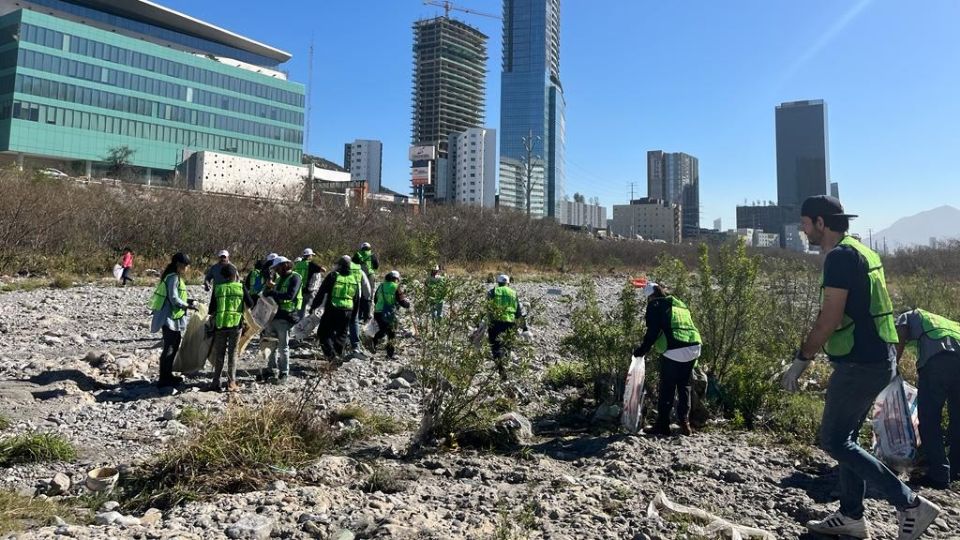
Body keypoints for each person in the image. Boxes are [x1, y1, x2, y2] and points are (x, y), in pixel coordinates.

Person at [781, 195, 939, 540]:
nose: (803, 229)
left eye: (806, 223)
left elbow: (830, 317)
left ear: (821, 223)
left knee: (834, 441)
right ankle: (851, 515)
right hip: (876, 357)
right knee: (847, 438)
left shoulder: (839, 257)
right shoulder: (861, 251)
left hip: (860, 362)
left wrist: (800, 361)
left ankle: (910, 504)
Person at [895, 308, 960, 489]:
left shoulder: (910, 315)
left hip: (937, 362)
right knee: (958, 421)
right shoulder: (950, 323)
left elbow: (899, 337)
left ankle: (939, 474)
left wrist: (892, 368)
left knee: (929, 420)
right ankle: (955, 471)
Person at [633, 281, 702, 437]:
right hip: (694, 347)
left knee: (667, 387)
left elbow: (653, 331)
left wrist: (642, 351)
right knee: (684, 385)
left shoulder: (656, 305)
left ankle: (662, 426)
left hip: (675, 349)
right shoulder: (678, 305)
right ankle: (685, 422)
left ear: (650, 297)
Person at [149, 252, 198, 388]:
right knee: (170, 347)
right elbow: (174, 298)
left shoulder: (172, 277)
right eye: (186, 265)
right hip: (169, 317)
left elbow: (176, 296)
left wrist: (188, 301)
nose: (187, 268)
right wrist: (187, 305)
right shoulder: (173, 278)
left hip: (172, 317)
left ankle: (167, 375)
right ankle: (164, 378)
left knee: (174, 344)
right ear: (179, 264)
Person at [207, 265, 254, 392]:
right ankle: (231, 382)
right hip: (235, 325)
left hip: (220, 325)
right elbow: (250, 304)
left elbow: (211, 310)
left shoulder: (218, 288)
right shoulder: (240, 287)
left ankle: (215, 382)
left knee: (219, 354)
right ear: (235, 275)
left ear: (222, 276)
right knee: (233, 353)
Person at [258, 256, 301, 384]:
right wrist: (269, 288)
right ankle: (270, 369)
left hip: (286, 316)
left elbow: (290, 295)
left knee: (283, 347)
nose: (276, 271)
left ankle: (284, 372)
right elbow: (266, 294)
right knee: (270, 344)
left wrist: (273, 293)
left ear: (284, 265)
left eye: (277, 268)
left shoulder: (295, 277)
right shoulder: (279, 278)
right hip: (273, 316)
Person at [311, 255, 360, 361]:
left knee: (323, 333)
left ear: (339, 265)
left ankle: (331, 356)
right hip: (348, 310)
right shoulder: (354, 278)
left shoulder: (333, 276)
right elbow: (356, 298)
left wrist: (314, 306)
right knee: (342, 334)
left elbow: (321, 293)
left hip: (333, 308)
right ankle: (338, 355)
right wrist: (354, 315)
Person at [487, 274, 526, 380]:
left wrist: (480, 323)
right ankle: (504, 365)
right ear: (508, 283)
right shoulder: (513, 293)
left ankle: (501, 370)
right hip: (510, 323)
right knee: (507, 346)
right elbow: (518, 312)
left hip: (496, 323)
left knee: (496, 346)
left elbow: (488, 309)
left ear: (497, 283)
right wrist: (524, 326)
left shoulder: (492, 292)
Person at [372, 271, 411, 358]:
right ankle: (390, 354)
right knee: (391, 334)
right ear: (396, 279)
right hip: (388, 313)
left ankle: (373, 342)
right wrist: (408, 305)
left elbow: (375, 299)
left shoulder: (381, 286)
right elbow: (402, 301)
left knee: (382, 330)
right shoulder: (396, 287)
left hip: (377, 312)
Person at [347, 259, 373, 358]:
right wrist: (367, 299)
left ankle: (339, 343)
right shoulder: (359, 271)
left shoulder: (337, 271)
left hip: (338, 300)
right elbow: (367, 288)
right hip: (355, 299)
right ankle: (355, 346)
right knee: (354, 321)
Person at [293, 248, 326, 319]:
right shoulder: (310, 264)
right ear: (309, 256)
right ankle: (313, 317)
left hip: (299, 289)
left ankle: (299, 321)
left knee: (301, 308)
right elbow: (323, 270)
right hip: (308, 290)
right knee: (316, 303)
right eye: (311, 255)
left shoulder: (297, 264)